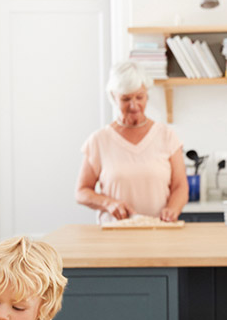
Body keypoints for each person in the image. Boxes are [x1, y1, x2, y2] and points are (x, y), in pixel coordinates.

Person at [75, 60, 189, 224]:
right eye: (126, 99)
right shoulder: (99, 140)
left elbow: (180, 187)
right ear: (113, 97)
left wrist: (173, 209)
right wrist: (108, 203)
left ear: (147, 95)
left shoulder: (167, 136)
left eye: (139, 97)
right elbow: (81, 191)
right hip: (114, 236)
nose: (134, 105)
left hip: (158, 234)